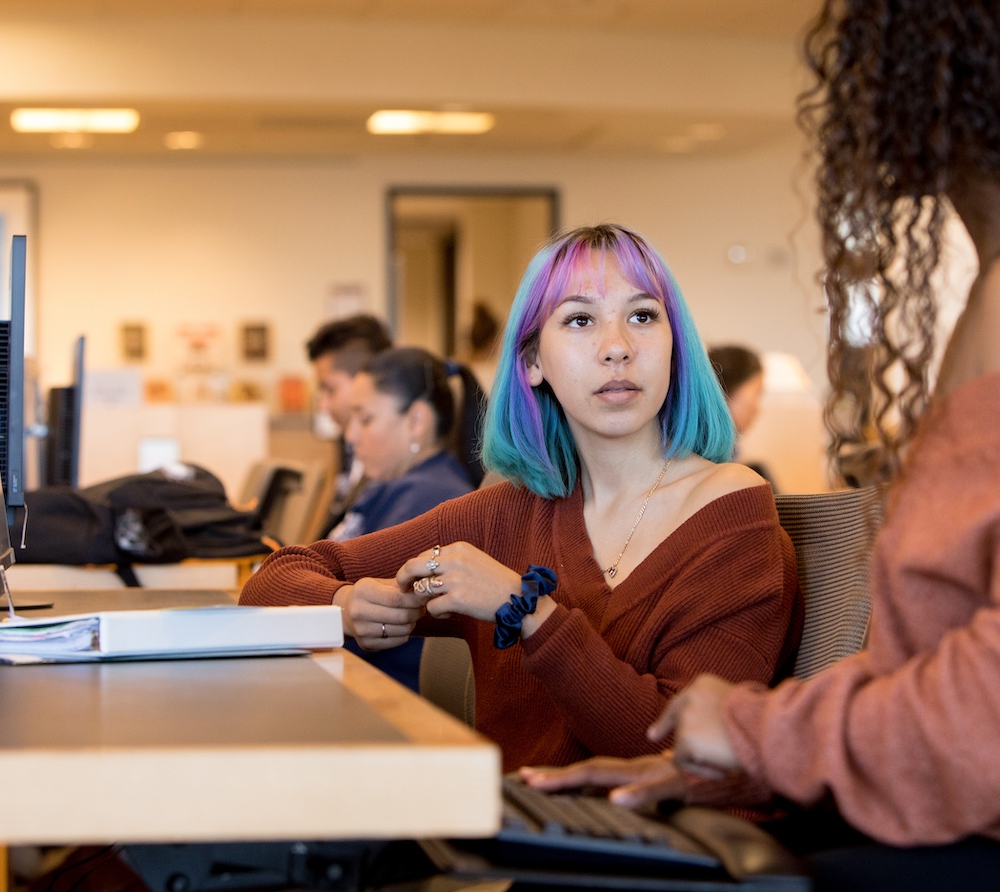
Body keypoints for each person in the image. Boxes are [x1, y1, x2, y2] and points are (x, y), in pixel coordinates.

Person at [522, 0, 1000, 884]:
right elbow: (930, 680)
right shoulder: (983, 300)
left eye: (891, 45)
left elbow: (982, 713)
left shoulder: (722, 505)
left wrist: (751, 731)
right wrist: (723, 767)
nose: (862, 90)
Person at [241, 223, 802, 772]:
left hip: (638, 853)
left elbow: (678, 753)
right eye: (580, 319)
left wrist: (526, 610)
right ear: (533, 362)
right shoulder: (509, 511)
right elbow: (276, 577)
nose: (617, 347)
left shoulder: (732, 515)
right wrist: (347, 605)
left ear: (674, 345)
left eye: (642, 316)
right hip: (504, 833)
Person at [331, 346, 479, 692]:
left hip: (380, 693)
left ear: (416, 421)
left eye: (365, 419)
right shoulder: (393, 485)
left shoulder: (429, 498)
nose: (351, 436)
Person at [305, 314, 393, 538]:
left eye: (330, 389)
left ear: (363, 382)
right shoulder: (346, 447)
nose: (323, 405)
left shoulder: (390, 463)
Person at [707, 344, 778, 488]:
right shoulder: (709, 456)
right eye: (756, 393)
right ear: (727, 389)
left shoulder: (727, 447)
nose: (757, 408)